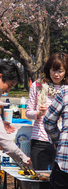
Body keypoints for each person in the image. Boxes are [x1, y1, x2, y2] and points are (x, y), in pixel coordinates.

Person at [29, 53, 68, 171]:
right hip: (40, 139)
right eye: (53, 70)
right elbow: (28, 112)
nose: (56, 74)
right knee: (39, 178)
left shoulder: (66, 90)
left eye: (60, 71)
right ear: (48, 69)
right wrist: (38, 114)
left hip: (62, 142)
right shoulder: (38, 85)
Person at [43, 56, 68, 188]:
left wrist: (58, 140)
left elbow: (47, 120)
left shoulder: (65, 91)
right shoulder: (39, 85)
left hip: (65, 163)